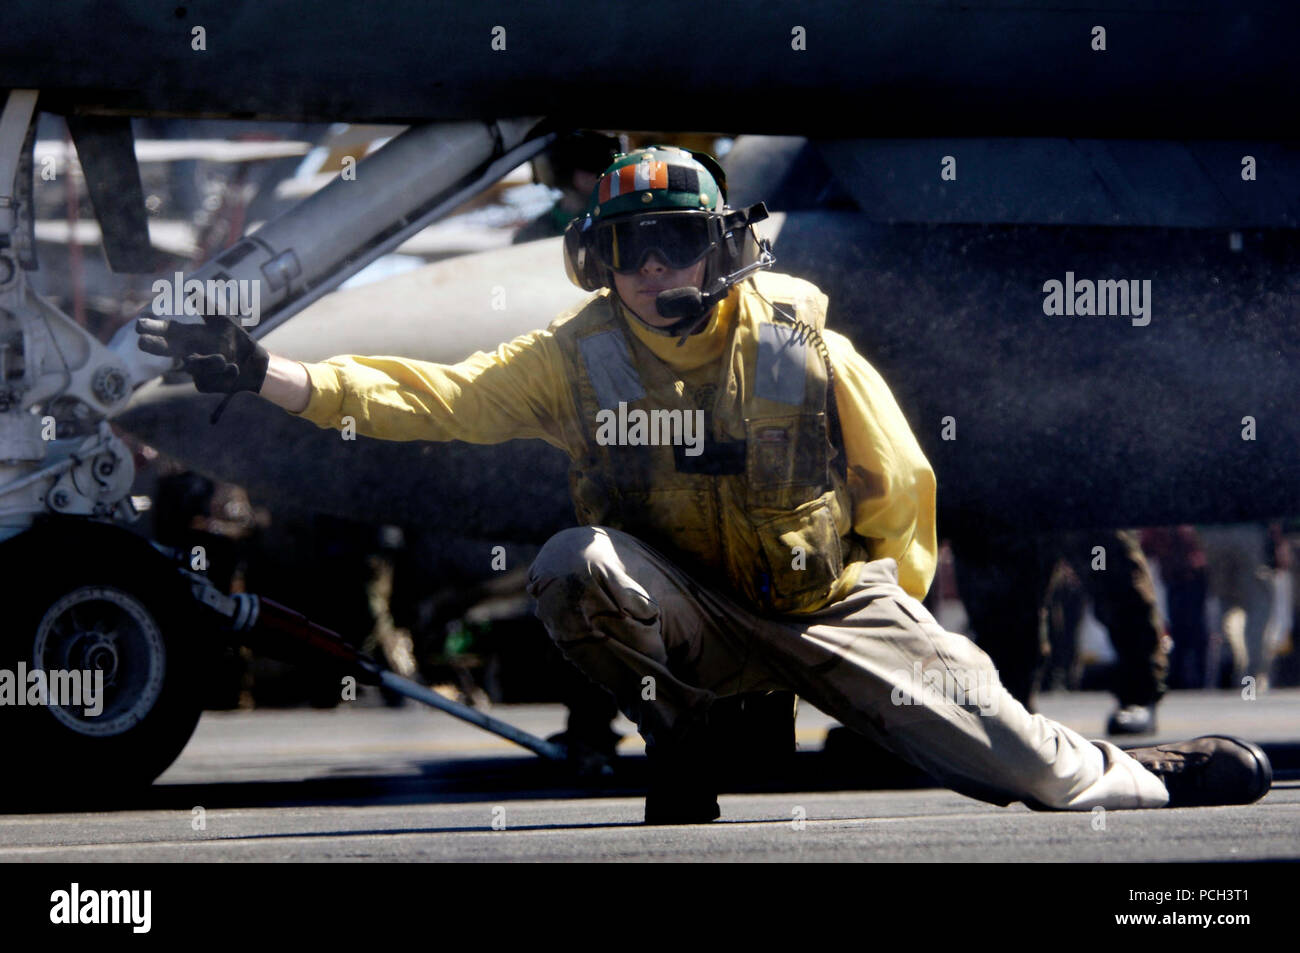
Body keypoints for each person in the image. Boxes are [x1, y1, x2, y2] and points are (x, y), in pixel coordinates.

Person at [136, 145, 1273, 824]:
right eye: (628, 250)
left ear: (718, 244)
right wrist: (268, 375)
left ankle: (1149, 771)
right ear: (599, 261)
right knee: (572, 565)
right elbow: (431, 398)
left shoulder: (795, 340)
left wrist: (897, 616)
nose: (652, 271)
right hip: (692, 610)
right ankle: (678, 744)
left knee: (1027, 770)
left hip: (830, 604)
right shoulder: (572, 355)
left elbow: (902, 478)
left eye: (675, 243)